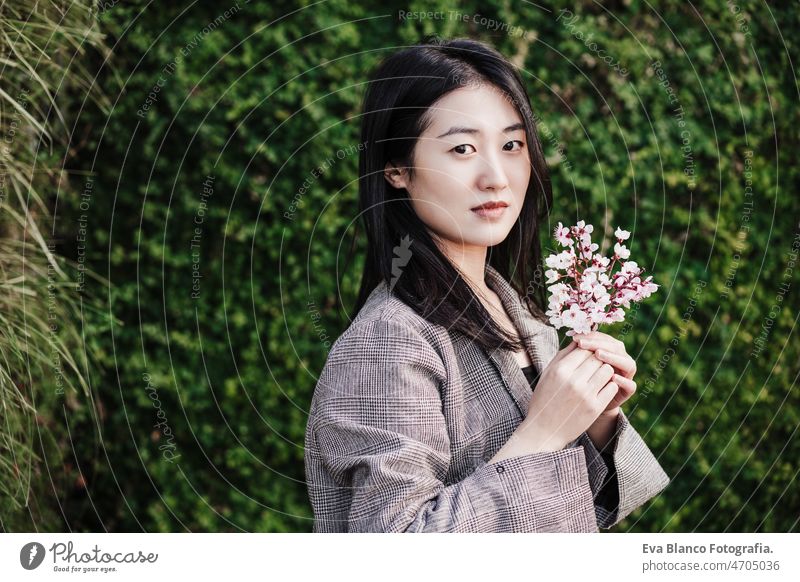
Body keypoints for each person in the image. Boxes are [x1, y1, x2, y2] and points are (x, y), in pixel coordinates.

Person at [304, 37, 669, 532]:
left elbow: (578, 519)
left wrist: (593, 421)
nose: (496, 177)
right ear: (396, 169)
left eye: (512, 145)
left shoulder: (517, 312)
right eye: (462, 149)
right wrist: (542, 433)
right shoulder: (387, 343)